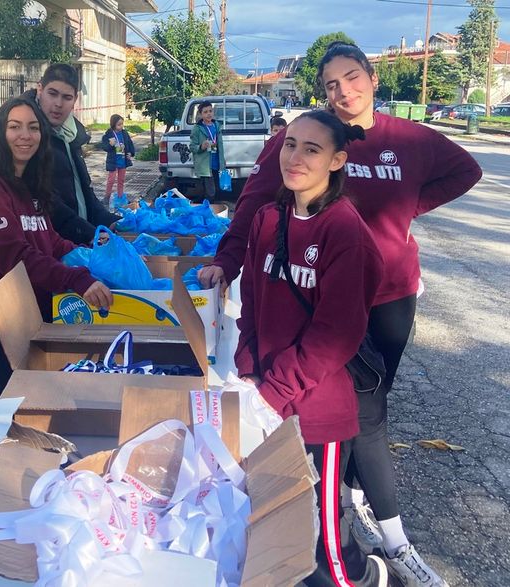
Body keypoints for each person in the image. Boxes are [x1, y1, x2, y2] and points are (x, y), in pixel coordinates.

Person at [202, 40, 481, 587]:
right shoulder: (308, 140)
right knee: (334, 408)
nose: (343, 91)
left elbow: (464, 171)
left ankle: (371, 527)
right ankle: (346, 511)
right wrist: (227, 261)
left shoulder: (408, 139)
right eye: (331, 84)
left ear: (372, 78)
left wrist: (405, 208)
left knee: (365, 414)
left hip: (386, 296)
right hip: (316, 292)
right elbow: (254, 206)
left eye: (352, 77)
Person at [236, 109, 387, 587]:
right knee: (277, 521)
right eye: (289, 144)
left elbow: (334, 336)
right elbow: (251, 301)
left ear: (337, 161)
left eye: (312, 149)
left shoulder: (345, 233)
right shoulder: (268, 219)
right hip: (268, 402)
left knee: (325, 546)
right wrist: (248, 367)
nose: (295, 158)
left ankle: (370, 577)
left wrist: (273, 392)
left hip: (317, 413)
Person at [0, 96, 113, 392]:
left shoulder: (29, 184)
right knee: (27, 404)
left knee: (46, 400)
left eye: (33, 127)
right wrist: (75, 279)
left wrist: (98, 258)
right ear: (0, 133)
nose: (25, 135)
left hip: (30, 317)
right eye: (15, 127)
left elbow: (50, 240)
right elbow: (13, 257)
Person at [23, 64, 120, 245]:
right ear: (40, 89)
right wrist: (90, 234)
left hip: (79, 244)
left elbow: (85, 191)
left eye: (66, 97)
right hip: (52, 247)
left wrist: (113, 222)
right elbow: (47, 202)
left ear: (75, 99)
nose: (58, 104)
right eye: (52, 94)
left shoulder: (69, 133)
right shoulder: (29, 137)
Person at [189, 100, 226, 203]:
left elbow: (220, 145)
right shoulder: (197, 128)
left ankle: (207, 207)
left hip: (216, 163)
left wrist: (222, 161)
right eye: (205, 112)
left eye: (210, 111)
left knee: (216, 190)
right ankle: (209, 209)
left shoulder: (217, 126)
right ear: (201, 114)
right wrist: (201, 146)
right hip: (205, 165)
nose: (209, 114)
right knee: (210, 192)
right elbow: (192, 147)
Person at [100, 113, 136, 201]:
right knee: (111, 180)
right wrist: (110, 144)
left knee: (121, 180)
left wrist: (130, 153)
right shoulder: (108, 134)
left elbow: (130, 144)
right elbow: (104, 147)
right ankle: (106, 197)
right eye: (119, 125)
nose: (121, 126)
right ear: (113, 125)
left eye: (122, 124)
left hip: (123, 160)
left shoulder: (124, 133)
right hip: (113, 161)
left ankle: (120, 197)